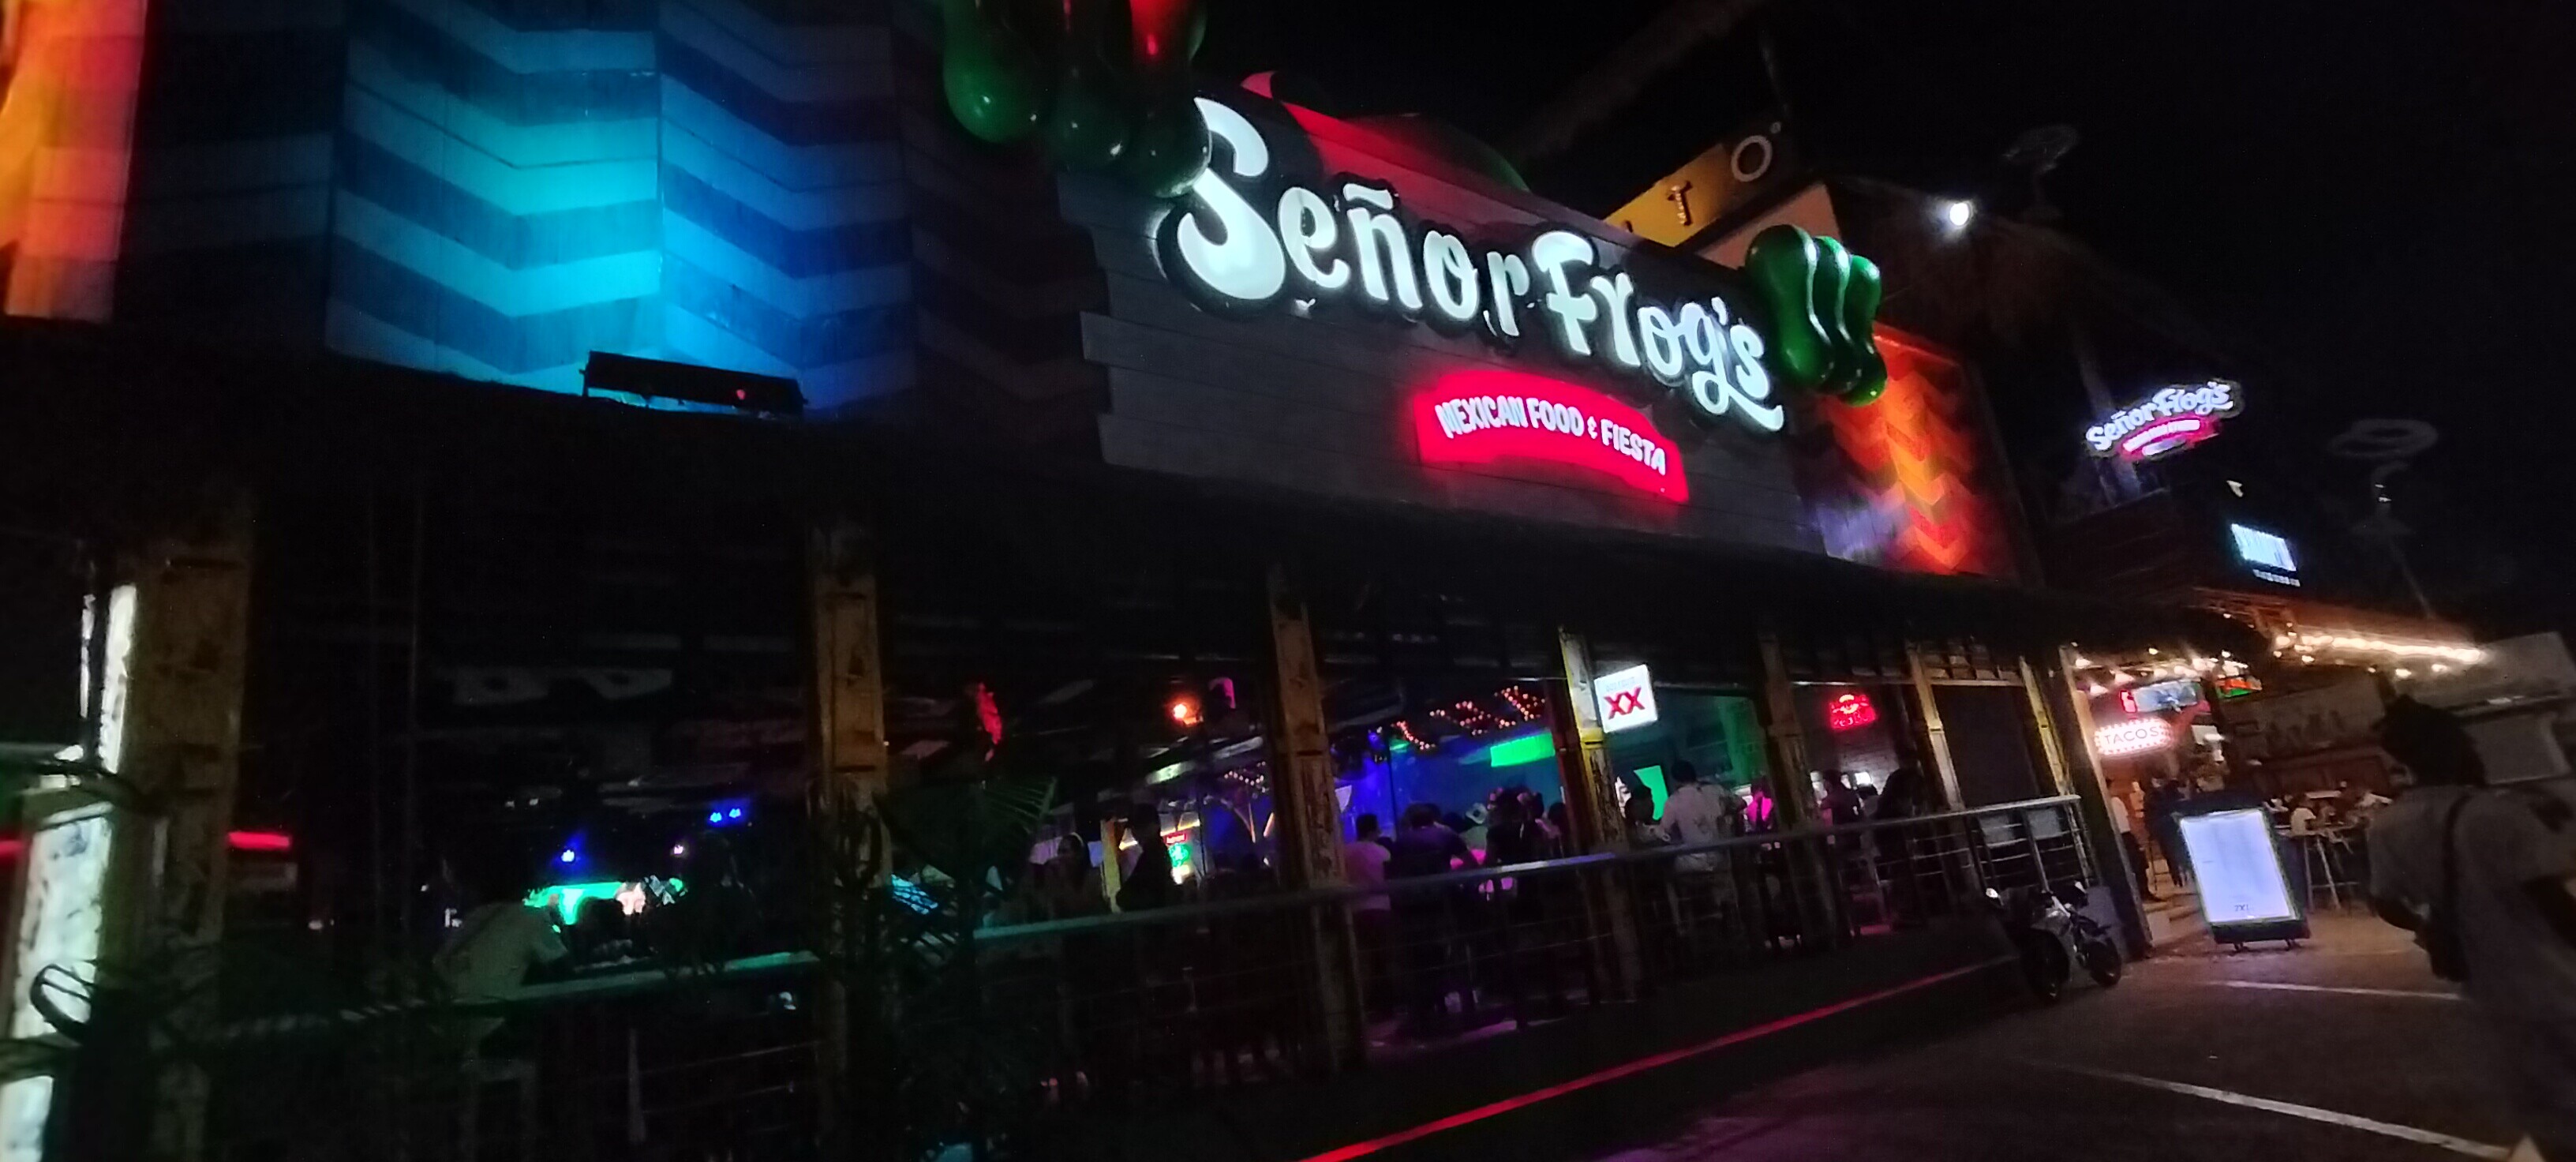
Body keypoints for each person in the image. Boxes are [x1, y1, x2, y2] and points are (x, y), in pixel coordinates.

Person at [2368, 698, 2576, 1161]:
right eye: (2466, 742)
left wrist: (2431, 925)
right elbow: (2554, 905)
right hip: (2558, 981)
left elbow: (2385, 901)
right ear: (2449, 748)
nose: (2475, 751)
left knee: (2549, 1114)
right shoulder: (2494, 814)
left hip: (2491, 998)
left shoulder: (2388, 826)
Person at [432, 852, 569, 1053]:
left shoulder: (474, 919)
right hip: (496, 1032)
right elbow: (564, 968)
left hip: (458, 1031)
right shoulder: (529, 918)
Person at [2106, 788, 2162, 902]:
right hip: (2117, 835)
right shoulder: (2108, 804)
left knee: (2139, 865)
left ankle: (2143, 892)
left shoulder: (2116, 801)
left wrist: (2137, 835)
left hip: (2126, 835)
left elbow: (2127, 819)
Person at [1117, 806, 1176, 912]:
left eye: (1141, 826)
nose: (1136, 833)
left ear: (1154, 826)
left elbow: (1125, 897)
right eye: (1134, 828)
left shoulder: (1153, 855)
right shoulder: (1156, 852)